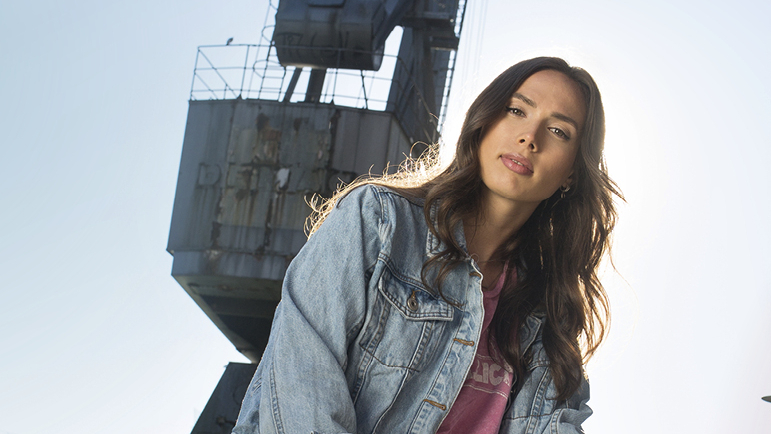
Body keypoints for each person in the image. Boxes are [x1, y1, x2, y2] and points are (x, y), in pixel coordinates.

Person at [232, 56, 622, 434]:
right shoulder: (378, 222)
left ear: (572, 173)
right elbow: (302, 384)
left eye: (558, 131)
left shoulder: (548, 315)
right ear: (484, 122)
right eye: (517, 111)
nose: (529, 137)